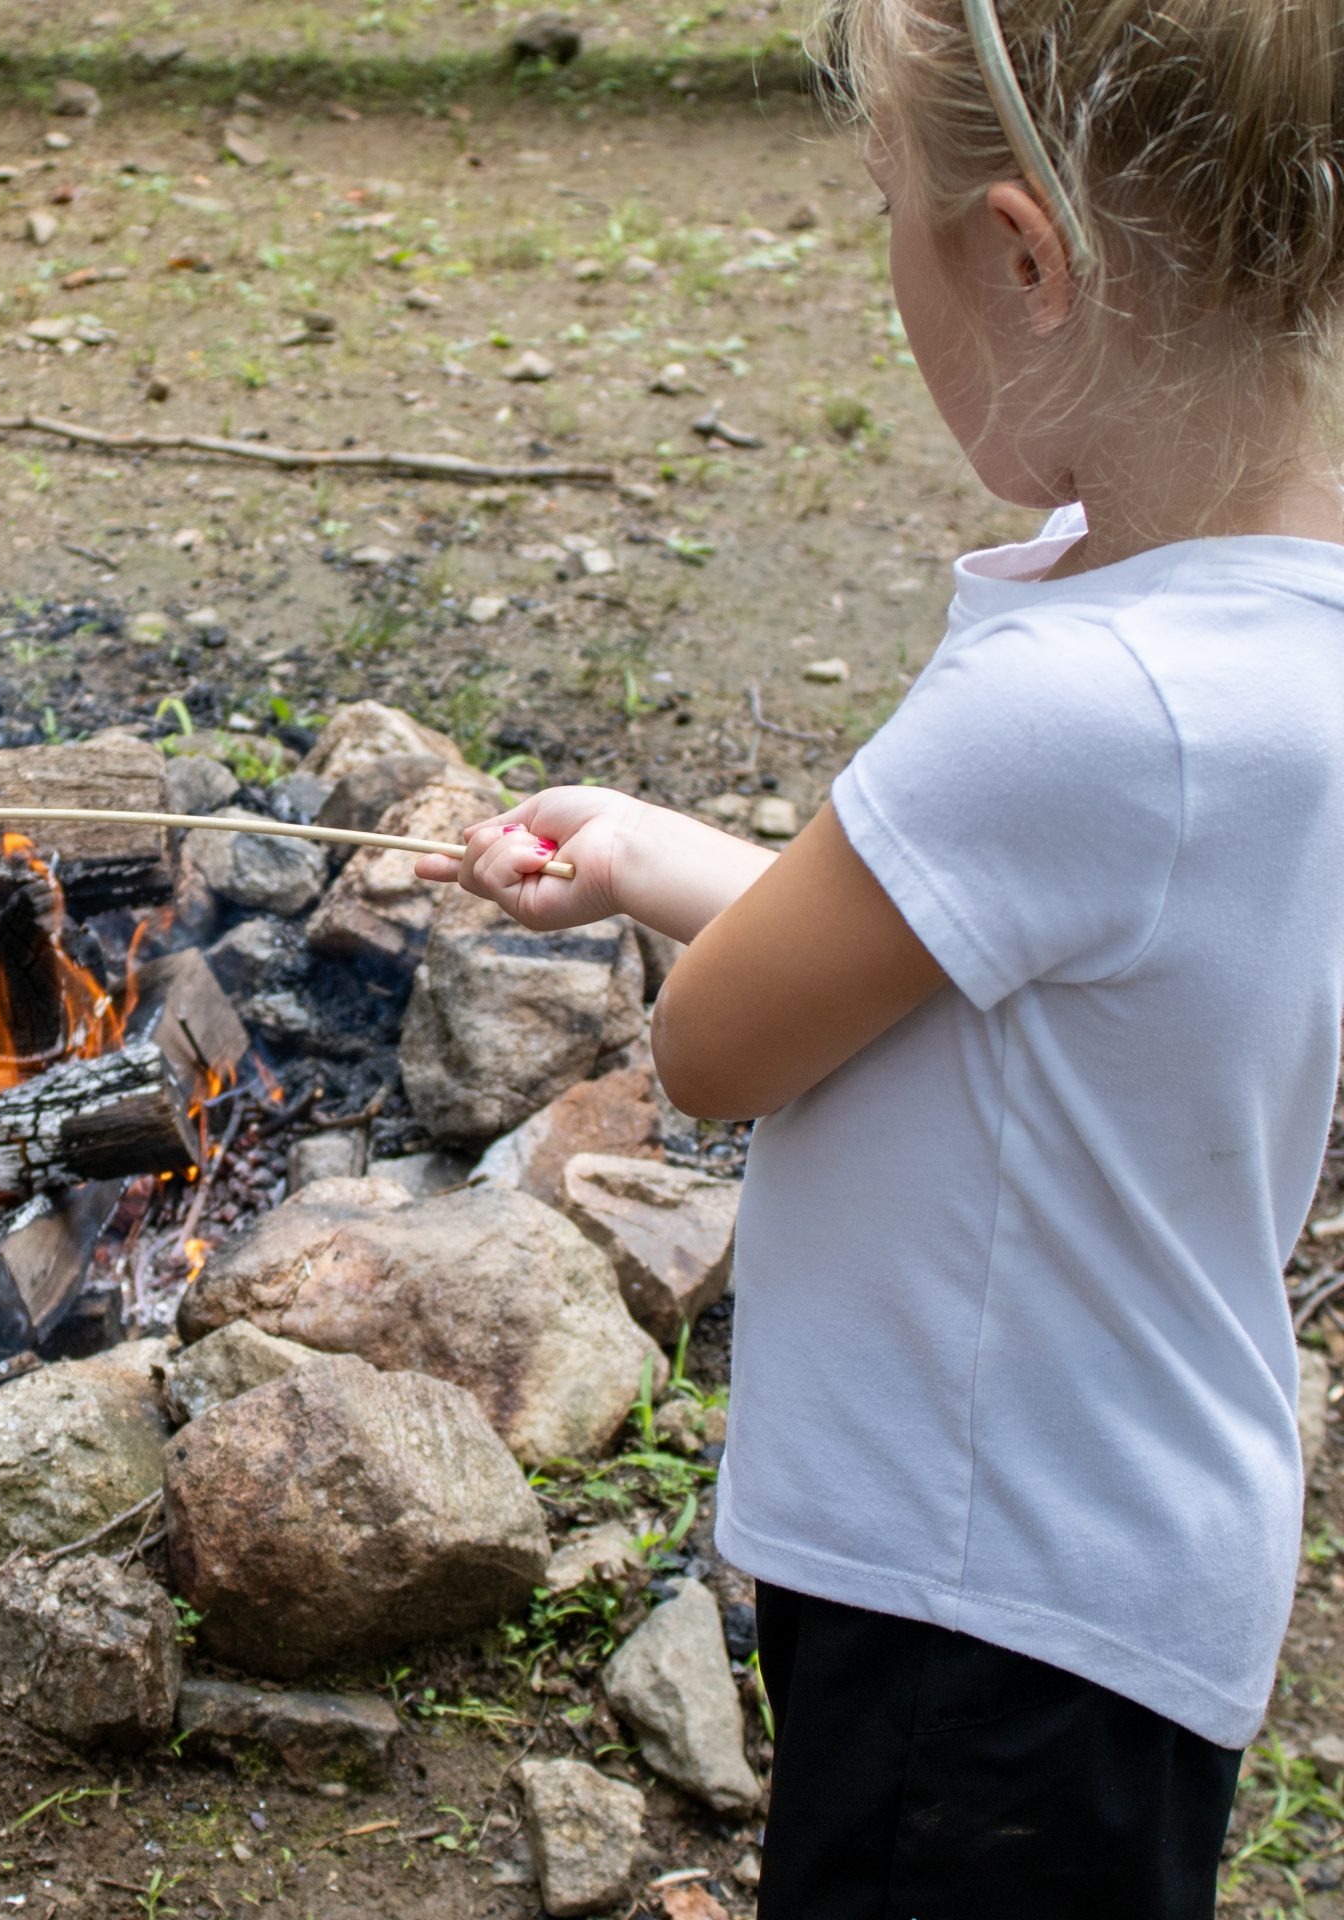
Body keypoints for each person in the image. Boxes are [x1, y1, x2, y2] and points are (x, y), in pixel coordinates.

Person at [418, 2, 1344, 1912]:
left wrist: (700, 928)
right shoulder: (1277, 638)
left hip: (972, 1593)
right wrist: (655, 853)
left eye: (888, 209)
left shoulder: (1075, 705)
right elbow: (1011, 965)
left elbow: (726, 1052)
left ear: (1022, 258)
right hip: (1139, 1548)